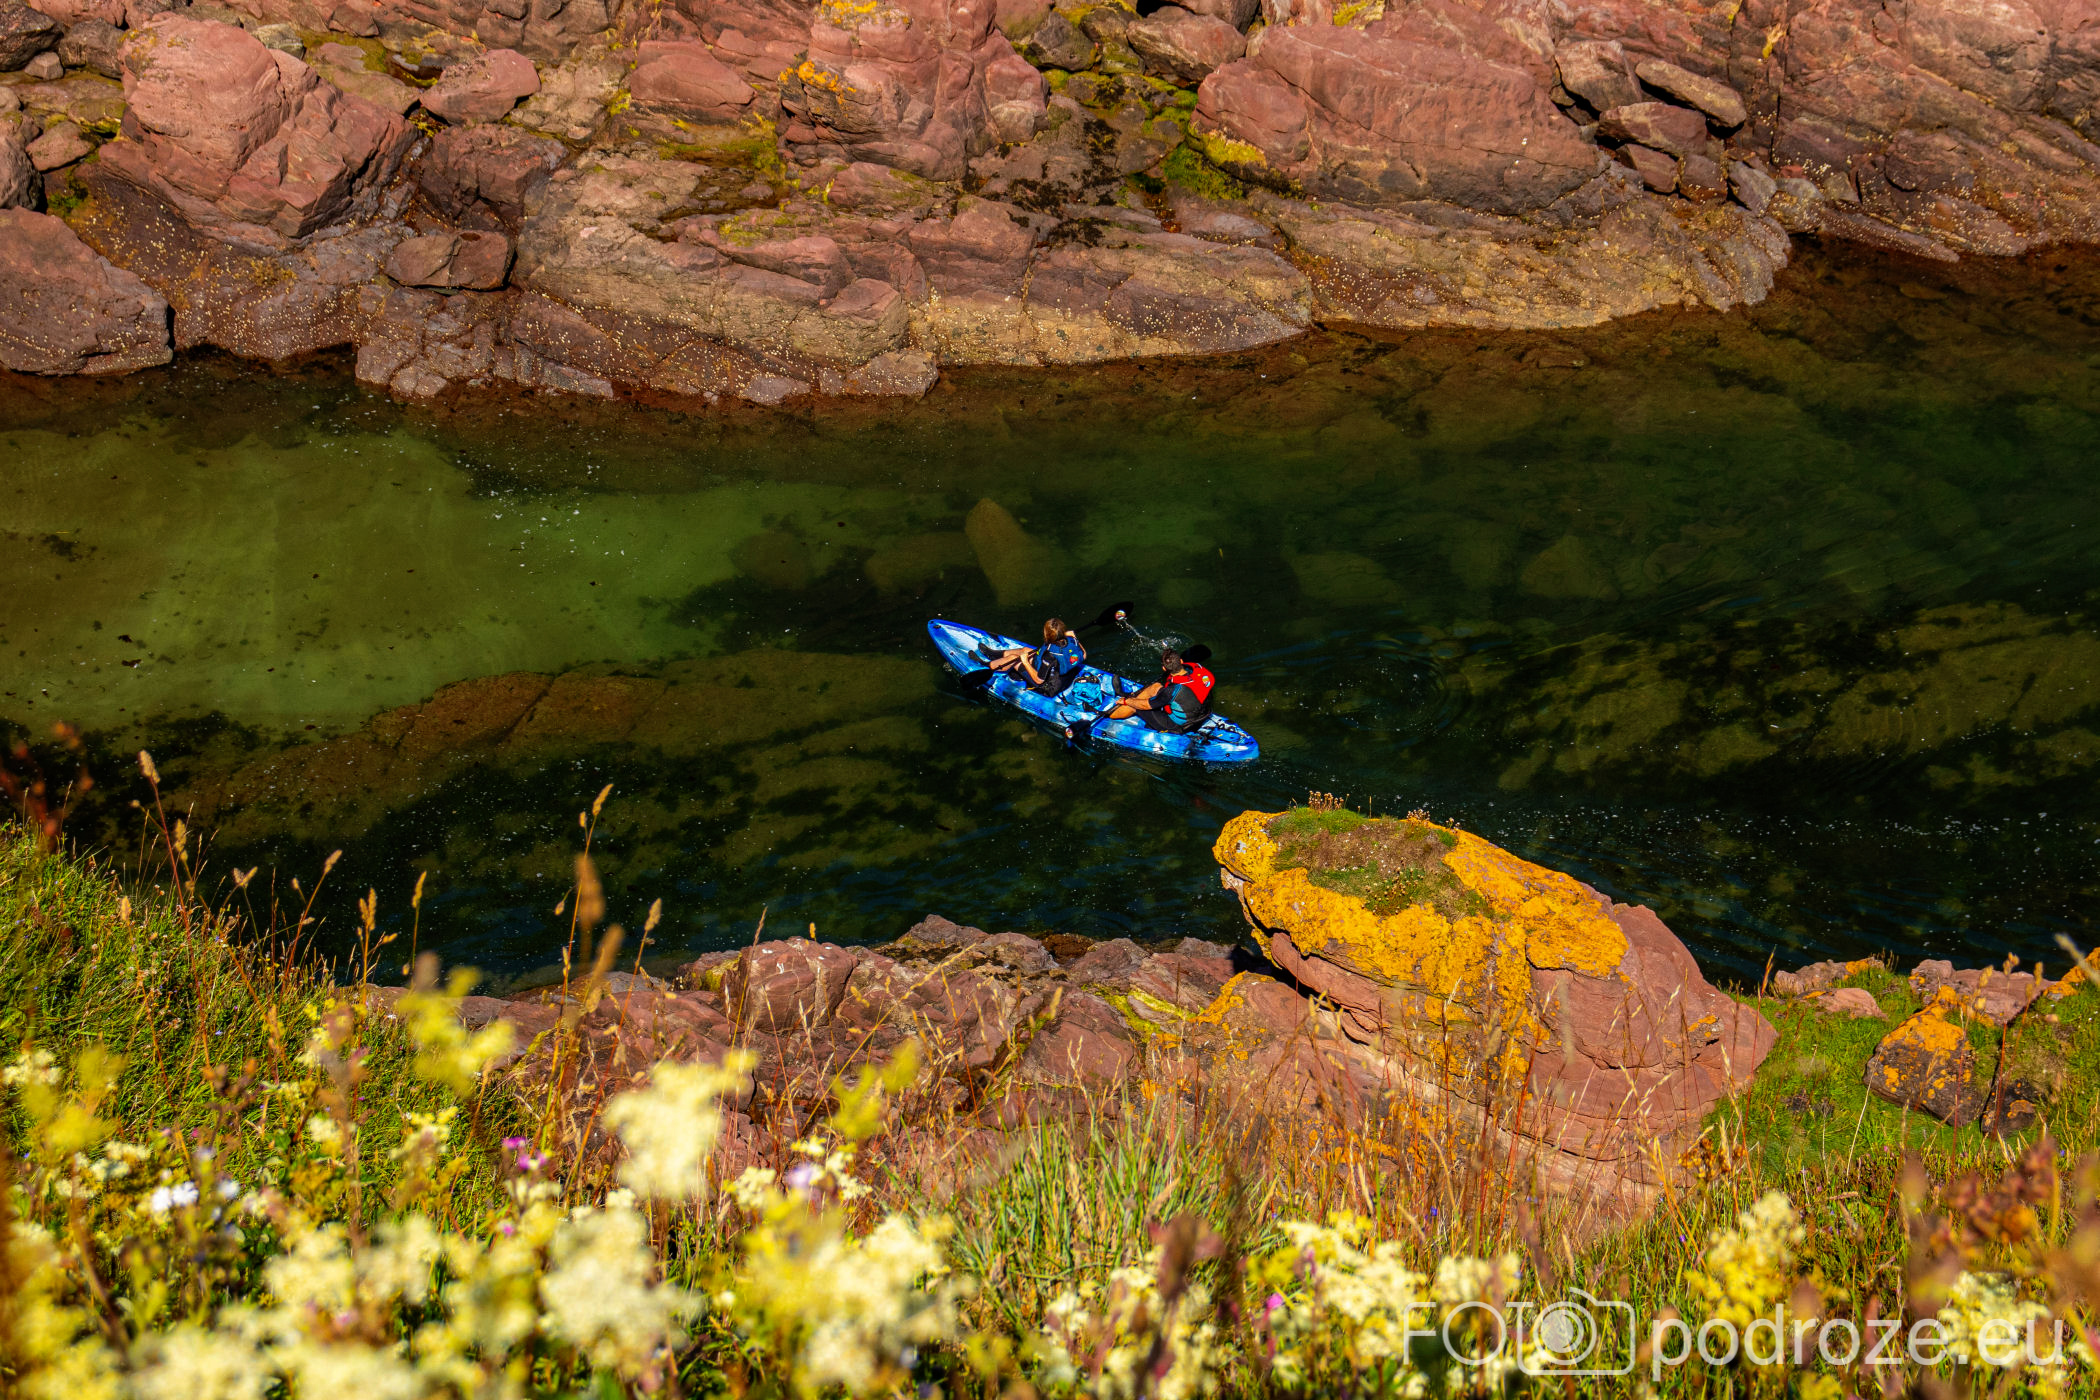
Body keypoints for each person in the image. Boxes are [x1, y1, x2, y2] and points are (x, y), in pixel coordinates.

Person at [1102, 648, 1214, 732]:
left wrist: (1127, 701)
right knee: (1155, 686)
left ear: (1164, 668)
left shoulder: (1172, 690)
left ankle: (1109, 716)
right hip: (1202, 714)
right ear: (1180, 661)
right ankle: (1128, 695)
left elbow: (1146, 705)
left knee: (1135, 705)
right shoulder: (1198, 668)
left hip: (1180, 725)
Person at [987, 618, 1086, 695]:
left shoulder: (1050, 656)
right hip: (1065, 676)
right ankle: (994, 654)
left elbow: (1039, 680)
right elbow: (1084, 655)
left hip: (1048, 686)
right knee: (1025, 650)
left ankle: (987, 666)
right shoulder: (1072, 640)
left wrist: (1025, 662)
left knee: (1013, 659)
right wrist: (1074, 638)